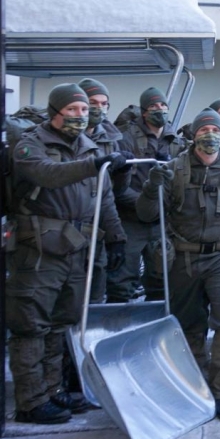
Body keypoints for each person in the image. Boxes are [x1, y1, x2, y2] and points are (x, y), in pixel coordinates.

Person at [137, 108, 220, 422]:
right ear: (193, 134)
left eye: (214, 129)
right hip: (183, 259)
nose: (208, 135)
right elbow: (145, 214)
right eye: (203, 129)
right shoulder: (173, 170)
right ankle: (196, 388)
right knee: (188, 326)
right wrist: (150, 187)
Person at [6, 83, 126, 423]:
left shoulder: (88, 147)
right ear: (54, 111)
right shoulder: (29, 144)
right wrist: (95, 164)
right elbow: (47, 174)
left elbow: (103, 197)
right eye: (72, 109)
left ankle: (54, 391)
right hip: (40, 249)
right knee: (31, 325)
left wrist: (115, 236)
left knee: (63, 324)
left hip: (77, 247)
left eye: (84, 110)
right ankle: (30, 401)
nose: (79, 116)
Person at [114, 86, 185, 302]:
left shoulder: (176, 141)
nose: (160, 109)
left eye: (163, 105)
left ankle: (155, 326)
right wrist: (145, 203)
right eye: (154, 106)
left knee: (160, 275)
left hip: (162, 223)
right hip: (131, 219)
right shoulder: (126, 139)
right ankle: (118, 327)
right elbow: (116, 186)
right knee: (122, 279)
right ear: (144, 111)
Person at [78, 77, 126, 303]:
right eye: (92, 102)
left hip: (95, 230)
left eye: (103, 103)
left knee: (94, 299)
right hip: (60, 234)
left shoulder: (112, 140)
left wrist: (116, 237)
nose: (98, 108)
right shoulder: (64, 139)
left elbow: (109, 194)